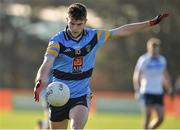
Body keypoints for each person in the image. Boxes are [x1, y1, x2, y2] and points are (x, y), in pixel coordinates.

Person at [34, 3, 169, 130]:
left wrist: (150, 23)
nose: (74, 28)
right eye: (72, 24)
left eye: (79, 24)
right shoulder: (57, 41)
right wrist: (40, 80)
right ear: (67, 20)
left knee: (76, 128)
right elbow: (47, 63)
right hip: (59, 96)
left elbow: (121, 30)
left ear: (85, 22)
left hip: (80, 96)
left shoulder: (94, 36)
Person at [133, 37, 173, 129]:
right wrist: (137, 90)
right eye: (152, 47)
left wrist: (169, 88)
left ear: (159, 48)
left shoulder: (162, 60)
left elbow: (165, 75)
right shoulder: (143, 59)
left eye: (156, 47)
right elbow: (137, 75)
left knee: (161, 118)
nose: (154, 49)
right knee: (148, 117)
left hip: (158, 91)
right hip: (147, 91)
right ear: (148, 48)